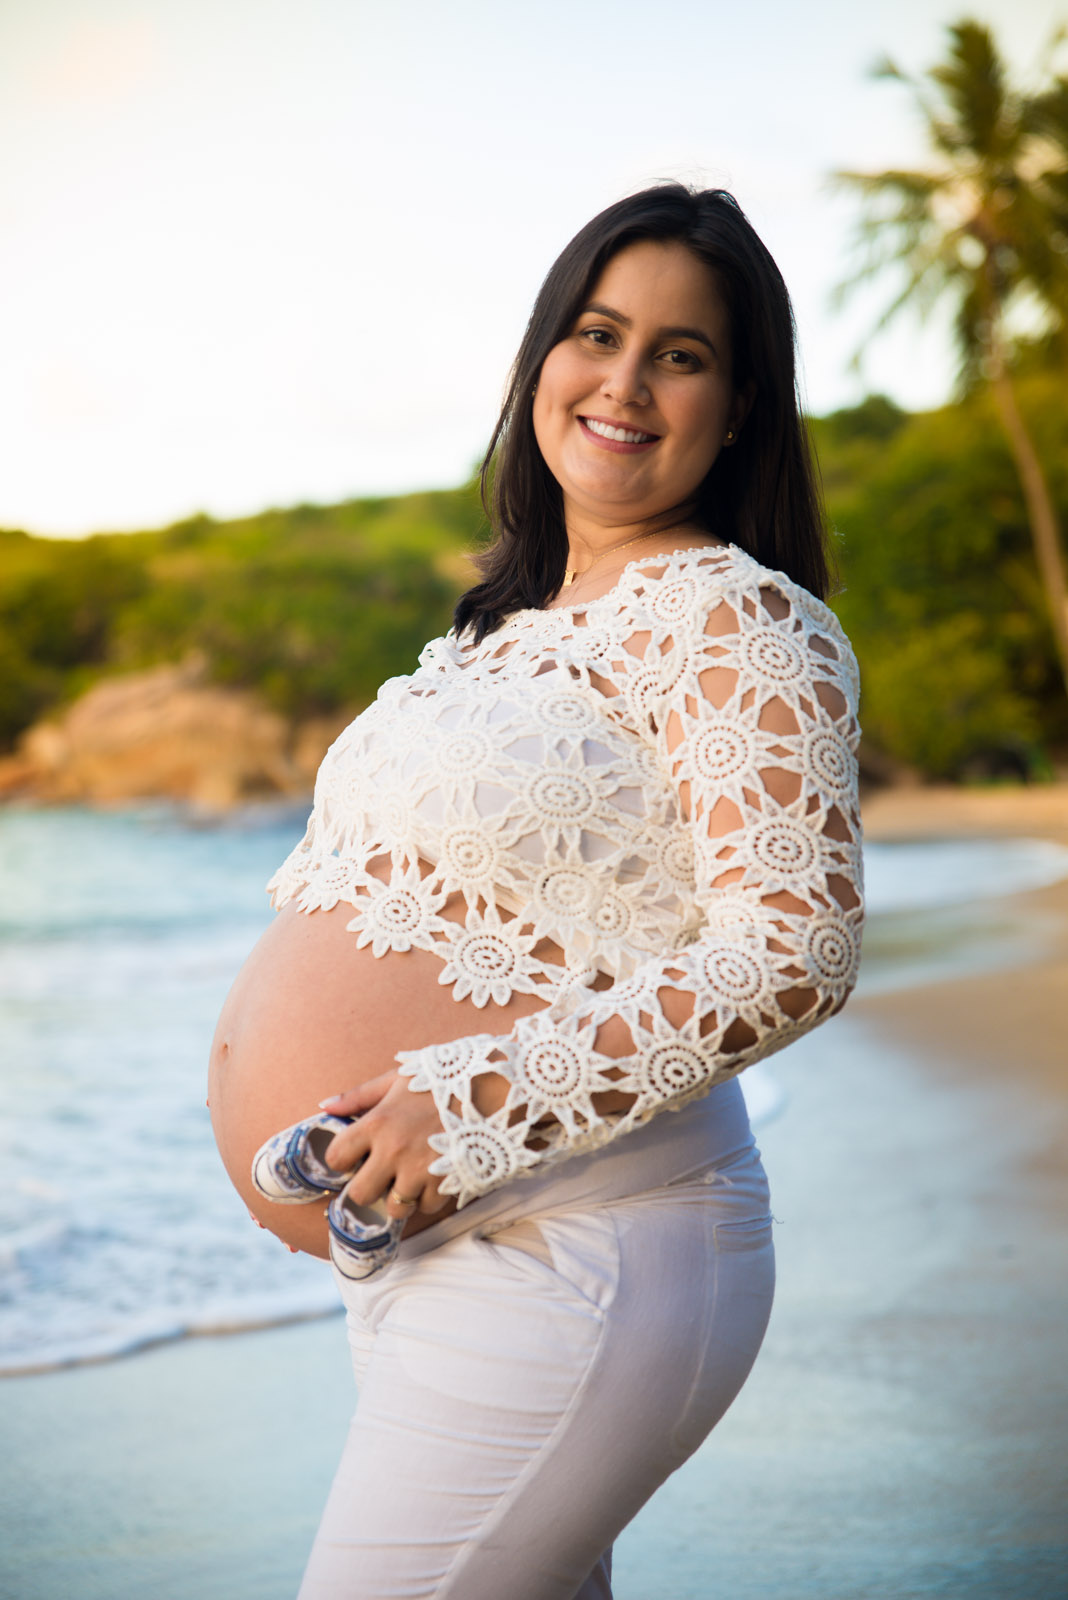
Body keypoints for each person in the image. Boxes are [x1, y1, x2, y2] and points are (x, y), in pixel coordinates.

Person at [208, 182, 864, 1600]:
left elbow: (795, 946)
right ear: (542, 358)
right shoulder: (508, 628)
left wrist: (475, 1105)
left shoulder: (737, 618)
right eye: (597, 334)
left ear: (738, 408)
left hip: (578, 1242)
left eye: (680, 355)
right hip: (431, 1245)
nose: (625, 384)